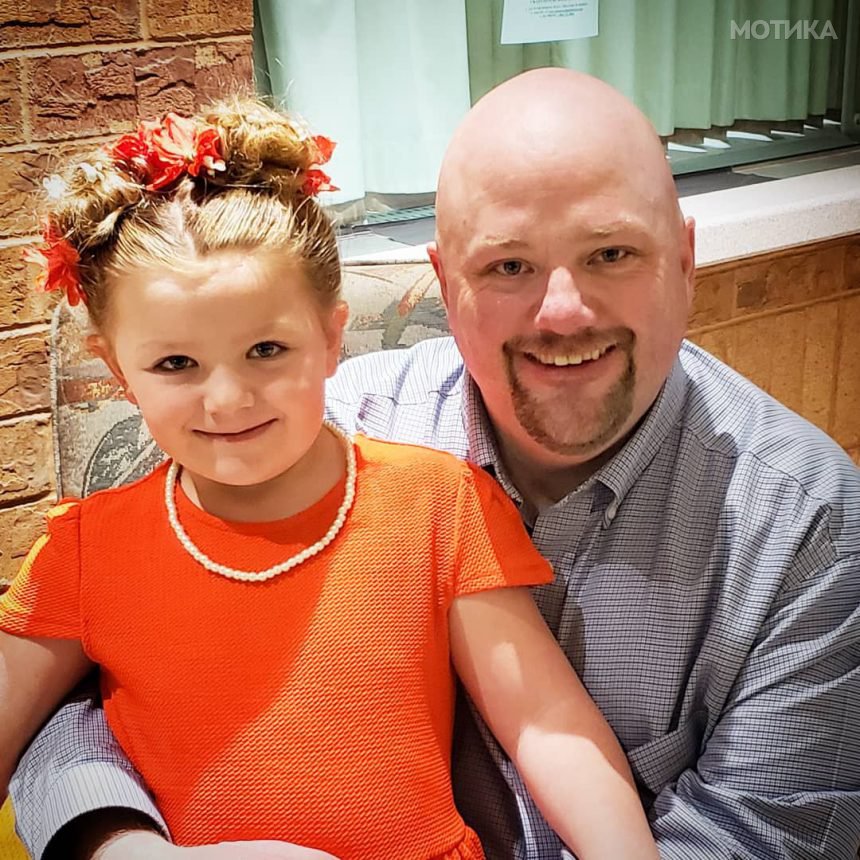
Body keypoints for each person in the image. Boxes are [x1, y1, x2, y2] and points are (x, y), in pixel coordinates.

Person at [11, 68, 860, 860]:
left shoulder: (811, 531)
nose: (563, 312)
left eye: (611, 253)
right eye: (509, 265)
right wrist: (118, 843)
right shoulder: (316, 424)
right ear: (446, 285)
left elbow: (752, 830)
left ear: (683, 259)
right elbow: (86, 700)